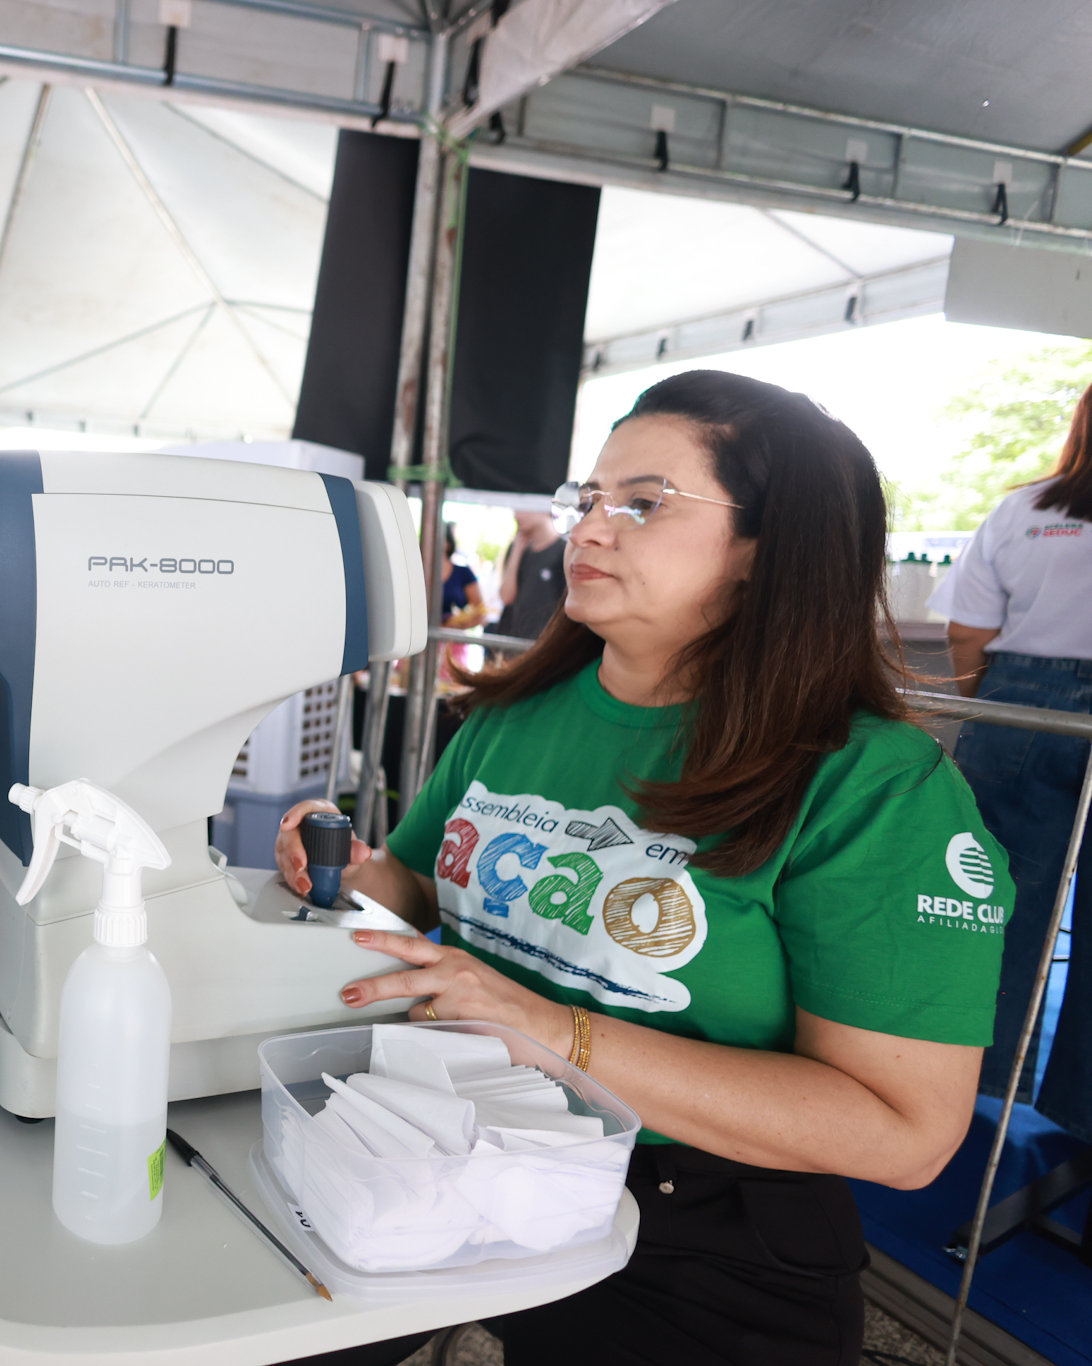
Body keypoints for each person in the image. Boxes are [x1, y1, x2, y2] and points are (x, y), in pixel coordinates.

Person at [278, 370, 1009, 1366]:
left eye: (642, 504)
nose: (588, 528)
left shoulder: (871, 786)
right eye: (587, 498)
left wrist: (550, 1031)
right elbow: (406, 884)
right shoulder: (512, 717)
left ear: (763, 547)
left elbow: (903, 1132)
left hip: (697, 1231)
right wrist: (331, 871)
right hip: (454, 1143)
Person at [937, 377, 1092, 1144]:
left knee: (990, 904)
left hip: (1017, 705)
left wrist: (996, 703)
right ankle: (1081, 1117)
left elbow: (967, 633)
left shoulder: (1024, 508)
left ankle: (971, 1083)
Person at [499, 506, 565, 640]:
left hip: (546, 641)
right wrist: (517, 549)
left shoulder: (563, 551)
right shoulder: (517, 549)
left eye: (522, 508)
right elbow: (506, 597)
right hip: (514, 638)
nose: (516, 515)